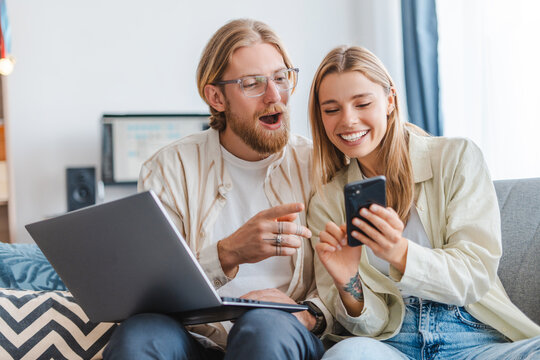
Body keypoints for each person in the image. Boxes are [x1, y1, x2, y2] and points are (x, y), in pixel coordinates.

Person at [103, 19, 328, 360]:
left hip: (280, 332)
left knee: (262, 328)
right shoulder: (169, 168)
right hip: (193, 336)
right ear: (216, 97)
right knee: (138, 336)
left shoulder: (317, 166)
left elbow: (343, 278)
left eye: (281, 78)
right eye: (252, 84)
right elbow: (155, 291)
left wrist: (310, 312)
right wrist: (227, 254)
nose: (274, 96)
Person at [306, 45, 540, 359]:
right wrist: (350, 285)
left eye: (362, 103)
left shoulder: (457, 158)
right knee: (345, 355)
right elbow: (369, 327)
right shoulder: (326, 201)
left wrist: (400, 253)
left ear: (390, 101)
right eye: (331, 109)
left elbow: (475, 274)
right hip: (390, 344)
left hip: (473, 337)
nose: (348, 120)